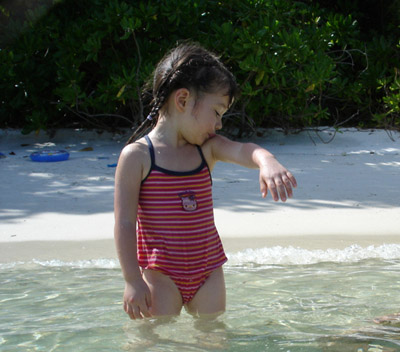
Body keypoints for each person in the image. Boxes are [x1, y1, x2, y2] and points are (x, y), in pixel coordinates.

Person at [114, 42, 297, 319]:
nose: (219, 124)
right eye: (217, 112)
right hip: (161, 273)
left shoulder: (206, 149)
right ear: (183, 100)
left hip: (208, 270)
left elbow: (242, 149)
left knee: (214, 341)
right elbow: (125, 223)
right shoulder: (138, 157)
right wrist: (132, 280)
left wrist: (266, 160)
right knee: (156, 348)